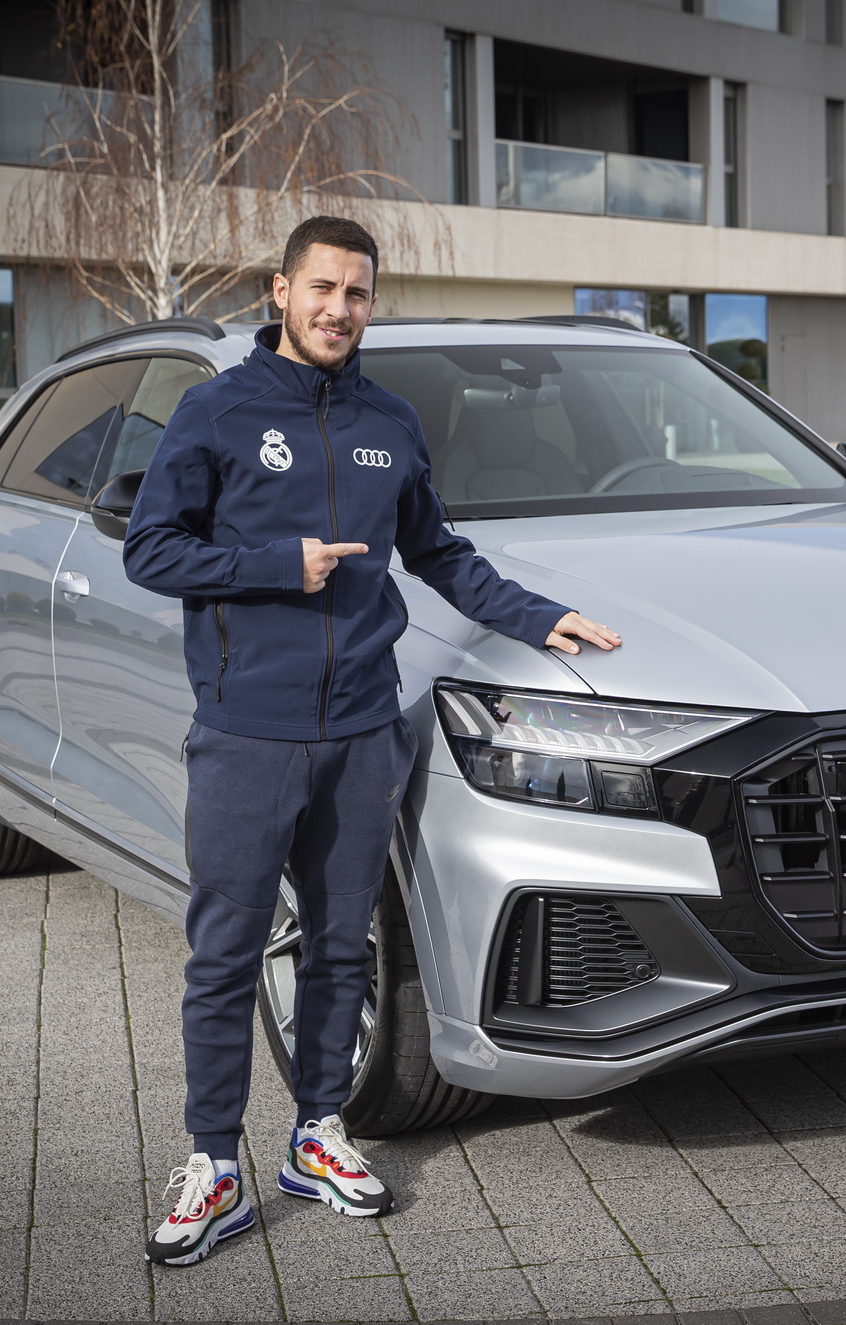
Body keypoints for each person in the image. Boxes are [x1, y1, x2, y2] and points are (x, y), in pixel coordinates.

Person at [124, 215, 620, 1266]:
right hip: (247, 730)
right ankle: (213, 1162)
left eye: (356, 293)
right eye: (321, 288)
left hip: (361, 725)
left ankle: (316, 1134)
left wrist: (540, 616)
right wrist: (274, 563)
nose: (339, 309)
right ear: (280, 290)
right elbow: (151, 549)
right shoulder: (215, 413)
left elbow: (438, 549)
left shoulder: (388, 421)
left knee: (341, 946)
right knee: (225, 951)